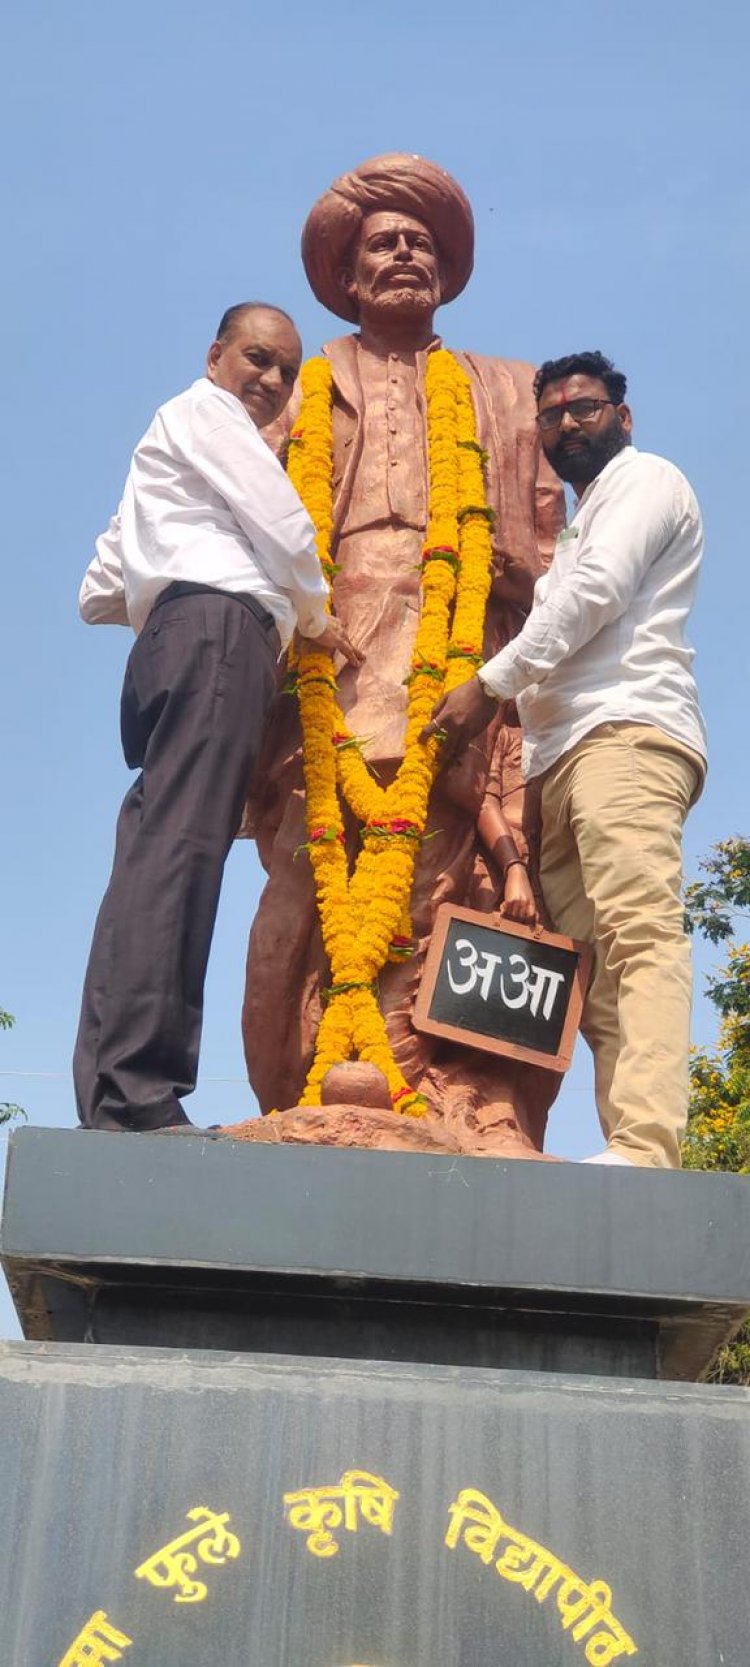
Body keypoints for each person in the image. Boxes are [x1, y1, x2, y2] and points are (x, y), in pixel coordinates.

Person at [241, 154, 567, 1157]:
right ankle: (318, 1075)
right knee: (318, 865)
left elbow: (554, 547)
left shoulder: (503, 390)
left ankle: (466, 1097)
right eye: (383, 242)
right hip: (330, 649)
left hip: (462, 641)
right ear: (346, 274)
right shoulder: (302, 388)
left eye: (420, 243)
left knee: (464, 868)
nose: (404, 255)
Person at [74, 302, 360, 1134]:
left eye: (284, 371)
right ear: (215, 356)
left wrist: (167, 586)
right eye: (256, 359)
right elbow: (284, 524)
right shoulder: (208, 413)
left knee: (153, 855)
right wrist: (313, 614)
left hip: (170, 642)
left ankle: (111, 1091)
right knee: (183, 860)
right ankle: (140, 1091)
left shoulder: (172, 445)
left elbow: (98, 588)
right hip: (220, 636)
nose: (269, 381)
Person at [423, 350, 707, 1169]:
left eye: (583, 407)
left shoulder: (647, 482)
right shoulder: (581, 522)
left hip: (626, 733)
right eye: (550, 415)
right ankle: (630, 1142)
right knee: (593, 974)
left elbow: (596, 597)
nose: (566, 423)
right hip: (563, 759)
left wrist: (486, 686)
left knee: (638, 934)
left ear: (623, 415)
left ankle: (649, 1146)